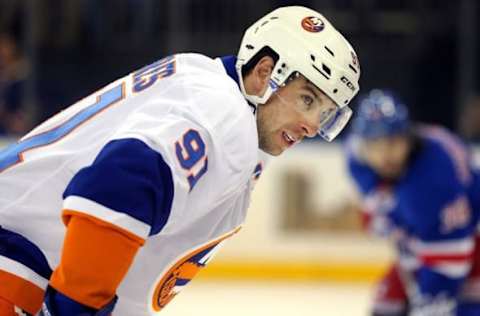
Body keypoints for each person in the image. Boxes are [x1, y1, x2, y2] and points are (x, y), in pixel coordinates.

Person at [0, 6, 360, 315]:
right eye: (307, 100)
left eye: (326, 113)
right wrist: (73, 308)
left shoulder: (208, 88)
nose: (312, 126)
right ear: (264, 72)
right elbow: (118, 186)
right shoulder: (223, 115)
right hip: (14, 269)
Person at [345, 89, 480, 316]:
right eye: (375, 145)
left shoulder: (433, 178)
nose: (384, 156)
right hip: (424, 246)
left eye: (392, 142)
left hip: (470, 245)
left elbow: (452, 256)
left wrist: (431, 299)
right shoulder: (357, 159)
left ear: (407, 137)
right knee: (384, 307)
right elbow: (382, 211)